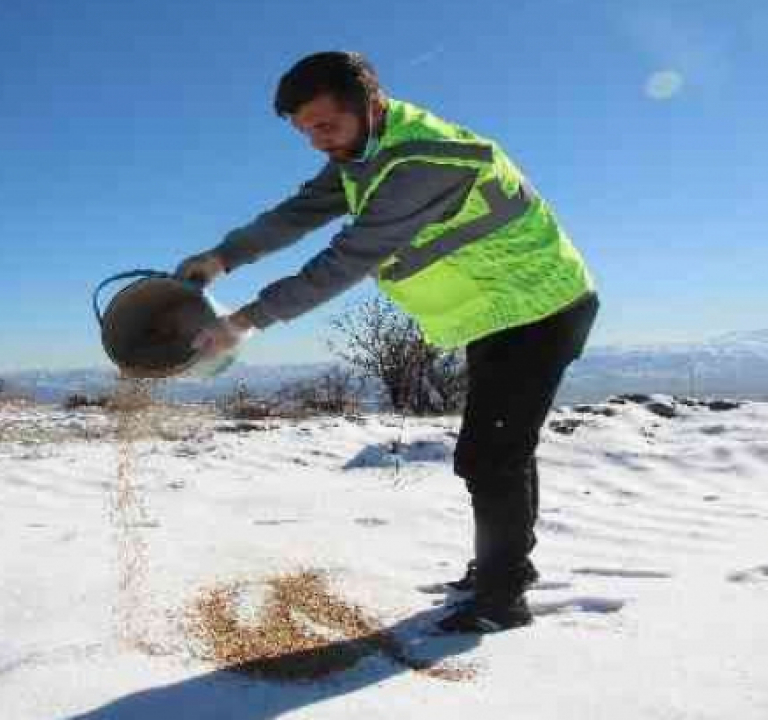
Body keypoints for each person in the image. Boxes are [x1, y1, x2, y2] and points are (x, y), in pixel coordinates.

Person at [174, 51, 599, 633]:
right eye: (305, 131)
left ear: (370, 106)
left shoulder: (418, 162)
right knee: (502, 447)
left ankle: (502, 601)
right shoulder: (361, 149)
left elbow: (346, 259)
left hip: (541, 307)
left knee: (489, 454)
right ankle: (506, 570)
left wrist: (244, 321)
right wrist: (222, 257)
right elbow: (299, 212)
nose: (318, 142)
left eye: (326, 125)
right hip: (499, 311)